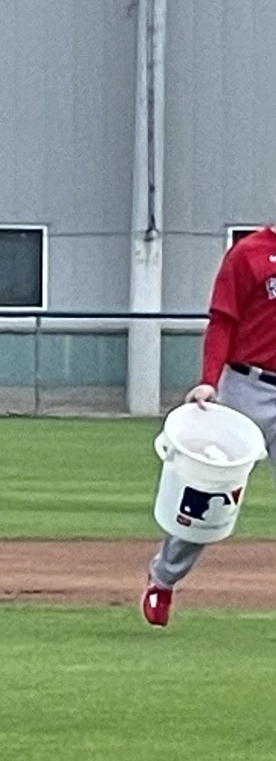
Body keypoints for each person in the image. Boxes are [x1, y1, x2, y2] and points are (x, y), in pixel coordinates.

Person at [142, 225, 276, 626]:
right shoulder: (250, 253)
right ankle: (163, 579)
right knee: (207, 493)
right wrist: (208, 380)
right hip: (246, 385)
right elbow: (223, 320)